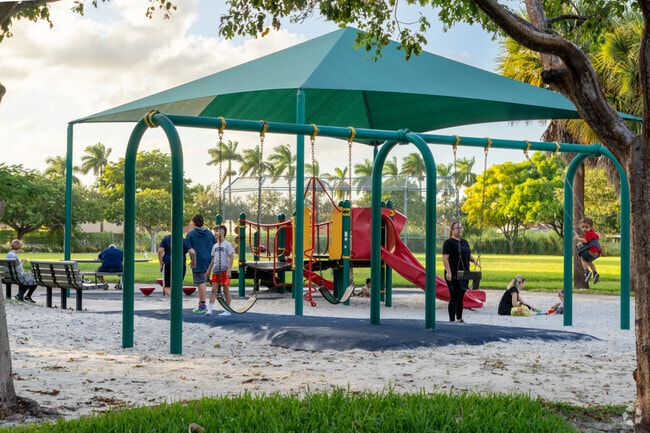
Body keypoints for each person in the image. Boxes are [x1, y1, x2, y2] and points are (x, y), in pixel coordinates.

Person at [442, 221, 481, 323]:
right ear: (452, 230)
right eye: (457, 228)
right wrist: (448, 272)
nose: (460, 230)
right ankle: (451, 320)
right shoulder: (448, 242)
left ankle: (459, 318)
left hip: (464, 273)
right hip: (453, 272)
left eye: (461, 228)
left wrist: (475, 261)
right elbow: (445, 258)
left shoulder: (464, 242)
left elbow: (468, 254)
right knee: (454, 296)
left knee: (461, 296)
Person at [185, 214, 215, 313]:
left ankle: (202, 304)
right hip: (209, 259)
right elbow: (215, 244)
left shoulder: (190, 234)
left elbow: (187, 248)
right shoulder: (209, 233)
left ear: (193, 223)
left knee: (201, 281)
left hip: (198, 259)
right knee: (204, 279)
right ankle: (203, 303)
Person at [205, 225, 235, 316]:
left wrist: (229, 270)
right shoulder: (215, 246)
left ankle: (227, 310)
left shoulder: (227, 245)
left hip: (225, 270)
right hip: (216, 270)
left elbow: (231, 257)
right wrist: (209, 270)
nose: (215, 233)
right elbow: (213, 259)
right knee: (213, 290)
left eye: (217, 231)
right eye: (214, 231)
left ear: (222, 232)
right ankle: (210, 310)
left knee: (226, 290)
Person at [574, 217, 601, 284]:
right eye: (583, 227)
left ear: (591, 227)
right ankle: (595, 273)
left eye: (586, 227)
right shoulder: (593, 233)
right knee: (589, 261)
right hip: (598, 252)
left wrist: (578, 239)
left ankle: (587, 272)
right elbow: (597, 238)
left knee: (583, 259)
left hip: (592, 251)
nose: (584, 229)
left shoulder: (589, 234)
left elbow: (585, 241)